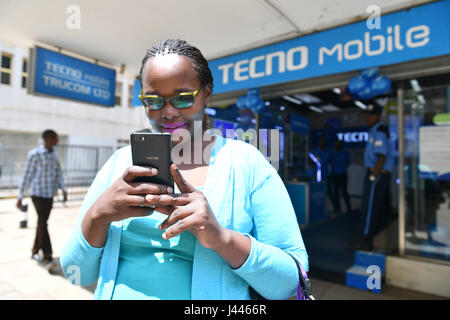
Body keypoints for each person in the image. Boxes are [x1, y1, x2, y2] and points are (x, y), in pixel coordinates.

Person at [60, 39, 308, 300]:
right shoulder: (119, 164)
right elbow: (77, 274)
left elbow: (292, 283)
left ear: (206, 95)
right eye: (153, 100)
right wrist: (98, 215)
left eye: (182, 98)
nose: (167, 112)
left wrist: (221, 238)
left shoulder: (246, 163)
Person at [17, 129, 67, 267]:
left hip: (49, 194)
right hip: (37, 194)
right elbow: (27, 175)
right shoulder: (35, 154)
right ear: (49, 138)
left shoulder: (54, 155)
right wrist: (20, 196)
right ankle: (48, 256)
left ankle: (34, 251)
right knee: (43, 223)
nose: (58, 140)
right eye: (56, 138)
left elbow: (58, 174)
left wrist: (63, 189)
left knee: (41, 223)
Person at [359, 102, 394, 251]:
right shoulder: (374, 130)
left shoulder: (379, 131)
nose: (367, 117)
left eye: (370, 115)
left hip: (377, 173)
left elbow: (381, 157)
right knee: (378, 207)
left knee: (369, 207)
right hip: (377, 172)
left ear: (377, 116)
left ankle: (366, 239)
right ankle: (376, 235)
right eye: (366, 114)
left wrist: (373, 176)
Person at [330, 139, 351, 214]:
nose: (337, 145)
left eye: (338, 144)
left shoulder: (344, 152)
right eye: (336, 143)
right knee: (336, 193)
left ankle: (349, 209)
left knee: (344, 192)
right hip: (334, 175)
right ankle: (337, 209)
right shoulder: (332, 152)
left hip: (343, 174)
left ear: (341, 145)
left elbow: (348, 162)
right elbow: (329, 162)